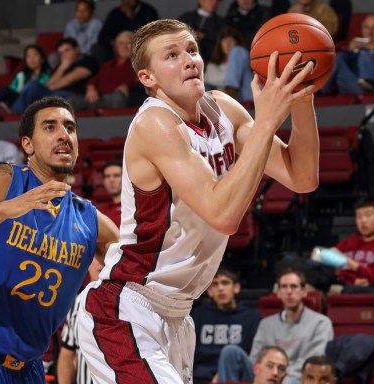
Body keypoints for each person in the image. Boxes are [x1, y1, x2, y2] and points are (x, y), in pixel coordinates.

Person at [76, 18, 321, 384]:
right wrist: (268, 119)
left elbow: (302, 177)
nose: (189, 59)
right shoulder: (156, 125)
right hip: (125, 308)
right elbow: (222, 214)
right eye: (172, 55)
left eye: (191, 49)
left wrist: (300, 96)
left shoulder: (222, 108)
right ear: (148, 78)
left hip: (179, 314)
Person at [0, 97, 120, 383]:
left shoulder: (90, 220)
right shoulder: (5, 180)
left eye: (70, 128)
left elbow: (142, 270)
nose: (64, 135)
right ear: (28, 144)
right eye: (50, 127)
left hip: (27, 366)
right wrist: (3, 209)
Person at [218, 269, 333, 384]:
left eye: (294, 286)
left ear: (304, 291)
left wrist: (279, 373)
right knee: (230, 352)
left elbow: (313, 364)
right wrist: (266, 374)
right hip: (264, 375)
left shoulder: (321, 323)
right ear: (278, 293)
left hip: (296, 378)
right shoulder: (266, 324)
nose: (289, 292)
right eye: (284, 287)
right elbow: (255, 358)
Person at [191, 265, 262, 383]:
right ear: (209, 291)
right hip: (201, 376)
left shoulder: (252, 317)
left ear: (236, 287)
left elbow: (251, 358)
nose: (220, 288)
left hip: (237, 374)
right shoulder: (198, 315)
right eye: (215, 284)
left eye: (225, 283)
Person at [7, 38, 99, 114]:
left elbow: (71, 78)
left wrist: (50, 88)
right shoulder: (61, 65)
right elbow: (48, 84)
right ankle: (14, 114)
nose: (65, 55)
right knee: (32, 85)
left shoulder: (87, 60)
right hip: (53, 92)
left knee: (54, 96)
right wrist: (62, 67)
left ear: (76, 49)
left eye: (67, 50)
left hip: (72, 94)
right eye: (61, 53)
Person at [320, 14, 374, 94]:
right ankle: (316, 91)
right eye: (367, 27)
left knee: (366, 52)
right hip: (356, 85)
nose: (370, 32)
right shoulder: (355, 50)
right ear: (362, 30)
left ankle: (369, 82)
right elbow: (343, 69)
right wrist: (349, 51)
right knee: (336, 57)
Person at [328, 197, 374, 294]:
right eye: (359, 216)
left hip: (366, 291)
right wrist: (352, 281)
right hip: (341, 285)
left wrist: (348, 262)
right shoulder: (348, 243)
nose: (363, 221)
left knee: (351, 290)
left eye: (368, 215)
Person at [58, 258, 104, 384]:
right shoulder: (78, 302)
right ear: (88, 264)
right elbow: (68, 355)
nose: (101, 261)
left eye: (105, 253)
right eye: (96, 255)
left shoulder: (129, 304)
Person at [68, 31, 137, 111]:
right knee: (71, 101)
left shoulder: (137, 63)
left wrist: (127, 86)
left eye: (128, 43)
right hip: (99, 97)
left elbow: (137, 79)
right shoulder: (107, 65)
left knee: (118, 97)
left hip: (118, 97)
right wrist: (91, 88)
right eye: (121, 43)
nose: (124, 47)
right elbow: (94, 80)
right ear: (116, 47)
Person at [222, 28, 253, 102]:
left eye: (231, 41)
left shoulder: (238, 51)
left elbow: (232, 86)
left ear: (237, 42)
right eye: (225, 40)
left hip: (248, 102)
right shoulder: (212, 65)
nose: (228, 44)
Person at [95, 161, 123, 227]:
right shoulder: (101, 212)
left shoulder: (135, 207)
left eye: (116, 176)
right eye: (107, 176)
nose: (111, 180)